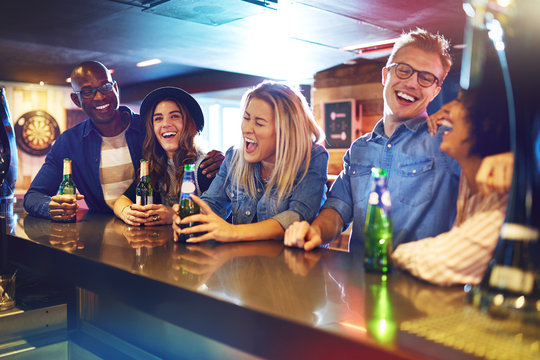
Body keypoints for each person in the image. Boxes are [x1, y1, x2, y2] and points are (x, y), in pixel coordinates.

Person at [285, 29, 460, 252]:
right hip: (359, 281)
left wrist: (471, 117)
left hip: (418, 283)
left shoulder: (447, 141)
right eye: (404, 70)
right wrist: (316, 231)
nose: (413, 83)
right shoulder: (359, 149)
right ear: (385, 75)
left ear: (435, 91)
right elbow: (337, 209)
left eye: (426, 78)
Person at [23, 61, 222, 221]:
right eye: (87, 91)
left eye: (105, 86)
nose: (99, 96)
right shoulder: (70, 142)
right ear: (77, 100)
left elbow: (215, 205)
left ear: (115, 88)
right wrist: (51, 207)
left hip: (155, 231)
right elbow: (33, 196)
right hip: (102, 233)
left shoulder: (148, 128)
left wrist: (218, 162)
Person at [392, 62, 510, 286]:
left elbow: (441, 262)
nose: (445, 110)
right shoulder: (470, 182)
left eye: (461, 102)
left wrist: (399, 252)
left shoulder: (503, 201)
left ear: (486, 123)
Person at [172, 81, 328, 243]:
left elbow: (299, 215)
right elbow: (213, 204)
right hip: (243, 264)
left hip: (294, 264)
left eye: (259, 123)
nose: (247, 128)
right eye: (246, 118)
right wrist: (188, 219)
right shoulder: (234, 157)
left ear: (285, 131)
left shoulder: (313, 156)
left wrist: (233, 232)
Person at [114, 87, 214, 226]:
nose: (166, 124)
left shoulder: (206, 166)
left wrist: (174, 216)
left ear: (191, 124)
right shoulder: (156, 166)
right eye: (158, 118)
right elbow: (120, 201)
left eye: (174, 116)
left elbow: (217, 213)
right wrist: (127, 213)